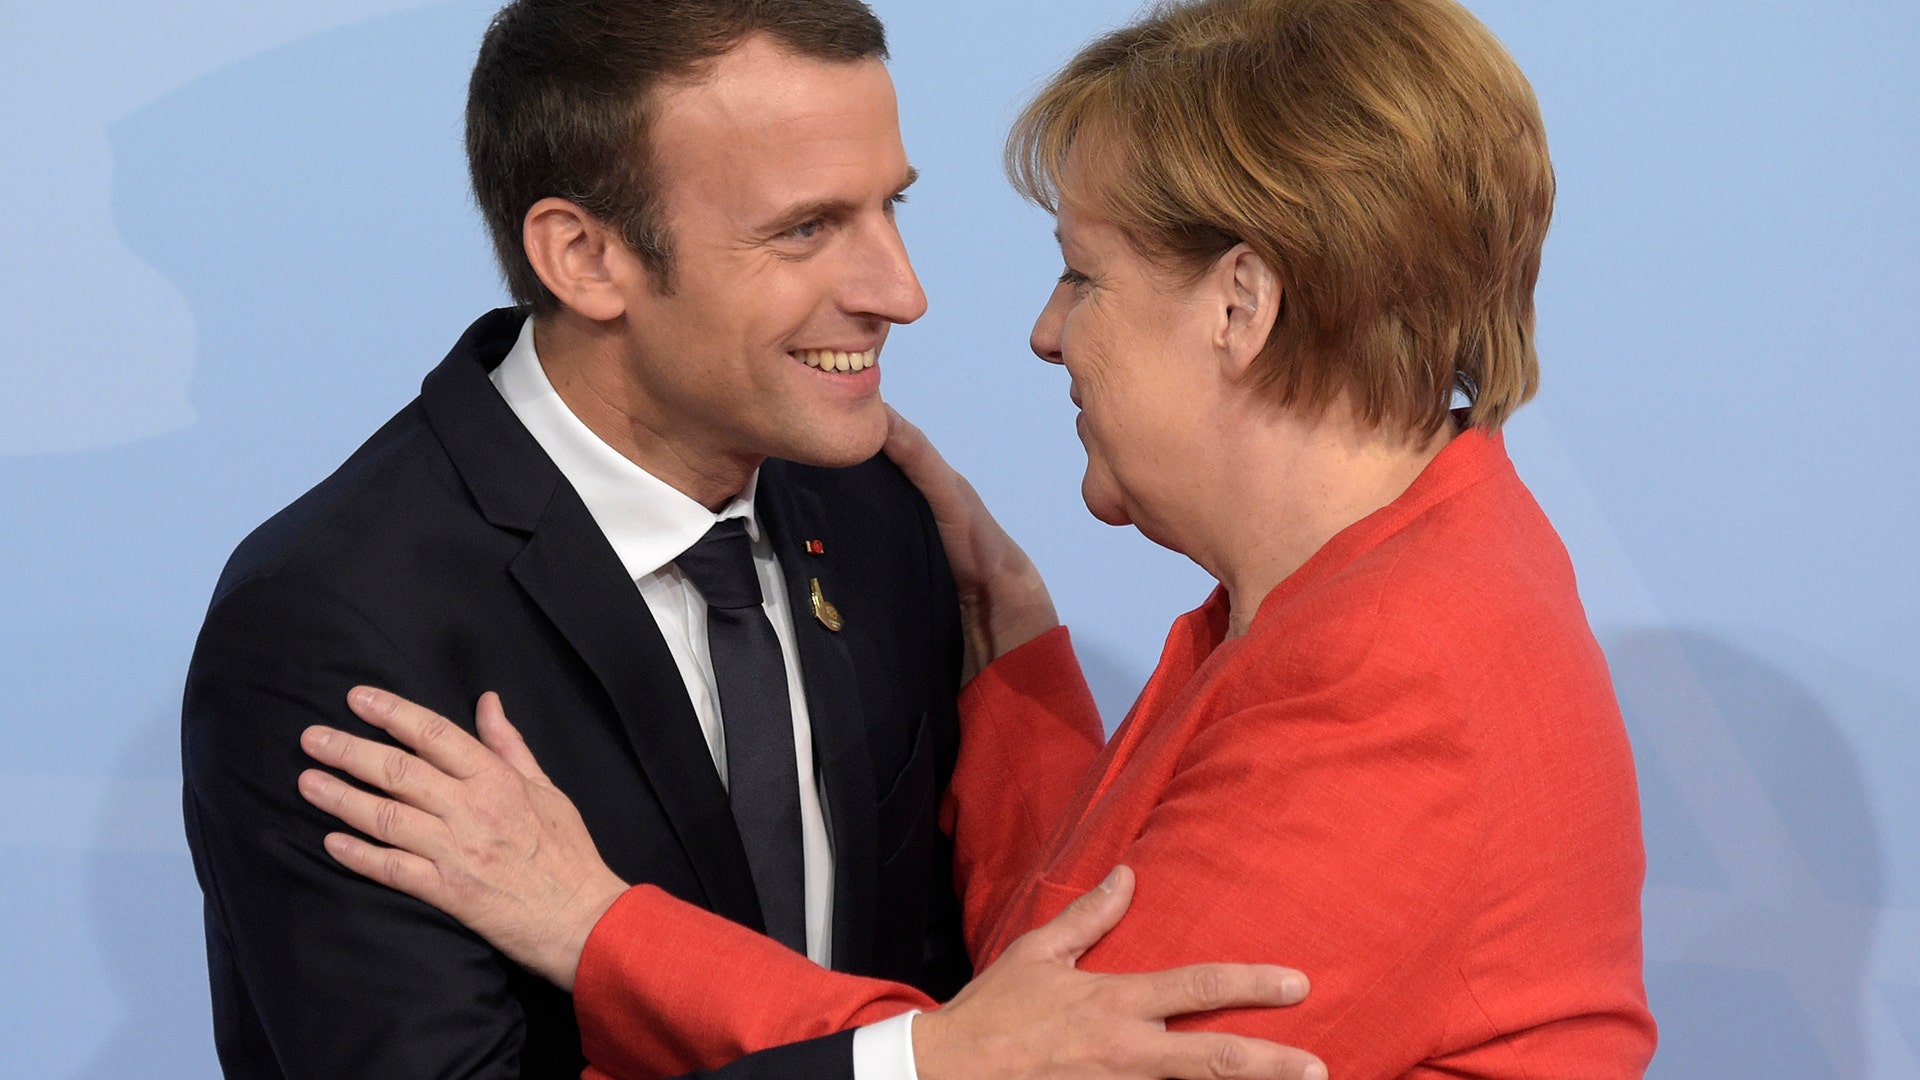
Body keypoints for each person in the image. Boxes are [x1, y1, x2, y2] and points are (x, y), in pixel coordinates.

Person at [295, 0, 1659, 1076]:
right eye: (814, 225)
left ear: (1241, 303)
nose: (1040, 329)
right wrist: (1014, 674)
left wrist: (597, 927)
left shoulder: (1395, 669)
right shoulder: (1340, 596)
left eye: (1083, 272)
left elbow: (1028, 1066)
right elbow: (1050, 984)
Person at [181, 1, 1324, 1078]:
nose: (903, 291)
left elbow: (963, 992)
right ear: (587, 258)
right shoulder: (339, 625)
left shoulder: (877, 517)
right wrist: (913, 1068)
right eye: (807, 228)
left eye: (893, 207)